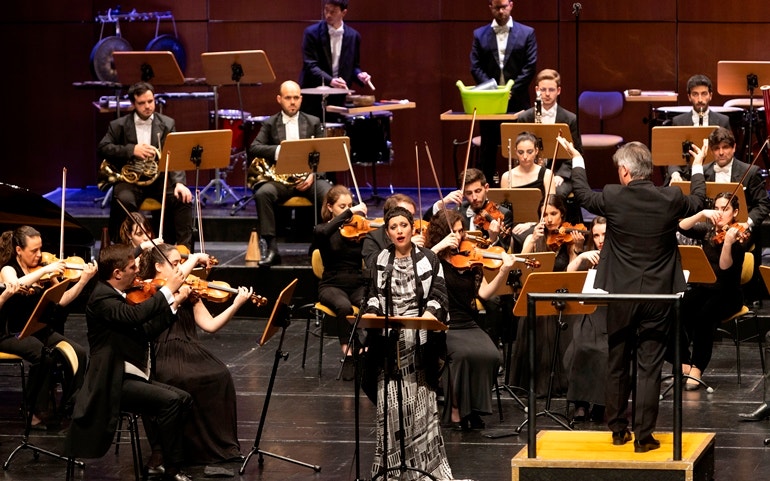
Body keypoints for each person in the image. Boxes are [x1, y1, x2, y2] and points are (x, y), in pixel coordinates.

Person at [563, 137, 706, 453]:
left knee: (617, 360)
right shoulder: (669, 197)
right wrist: (696, 167)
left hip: (621, 296)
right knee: (649, 367)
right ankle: (643, 437)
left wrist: (576, 158)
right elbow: (697, 201)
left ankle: (617, 429)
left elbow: (584, 196)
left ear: (625, 171)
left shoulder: (614, 196)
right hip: (658, 298)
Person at [66, 244, 193, 481]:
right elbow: (135, 316)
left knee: (183, 399)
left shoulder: (119, 295)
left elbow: (145, 330)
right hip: (110, 382)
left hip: (128, 375)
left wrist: (173, 305)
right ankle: (172, 470)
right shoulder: (102, 298)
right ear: (117, 273)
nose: (138, 272)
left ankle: (158, 458)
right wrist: (168, 292)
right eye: (132, 267)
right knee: (172, 401)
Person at [138, 244, 253, 467]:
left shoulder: (190, 290)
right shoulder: (149, 291)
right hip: (162, 351)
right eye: (174, 264)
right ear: (158, 267)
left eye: (180, 264)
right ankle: (171, 449)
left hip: (190, 348)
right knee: (179, 379)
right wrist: (195, 257)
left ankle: (214, 447)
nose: (180, 269)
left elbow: (209, 325)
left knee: (220, 375)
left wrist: (236, 304)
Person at [362, 206, 453, 480]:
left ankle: (424, 468)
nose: (399, 231)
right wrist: (374, 311)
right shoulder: (380, 260)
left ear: (412, 228)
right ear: (387, 232)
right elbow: (372, 295)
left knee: (421, 406)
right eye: (394, 227)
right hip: (390, 342)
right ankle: (390, 469)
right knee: (391, 407)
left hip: (420, 341)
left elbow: (439, 295)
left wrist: (427, 316)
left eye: (404, 225)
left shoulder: (428, 258)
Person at [0, 226, 95, 428]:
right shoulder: (8, 269)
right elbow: (15, 284)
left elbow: (62, 300)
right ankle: (34, 410)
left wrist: (82, 282)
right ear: (18, 250)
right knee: (42, 354)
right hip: (10, 332)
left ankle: (69, 407)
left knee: (79, 353)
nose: (39, 255)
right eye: (33, 251)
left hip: (36, 329)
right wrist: (45, 270)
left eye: (40, 249)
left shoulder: (43, 267)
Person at [426, 208, 508, 431]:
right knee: (460, 356)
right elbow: (418, 269)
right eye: (453, 231)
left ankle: (474, 409)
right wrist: (439, 247)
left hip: (467, 322)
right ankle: (456, 408)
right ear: (442, 233)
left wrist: (504, 272)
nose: (459, 236)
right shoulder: (431, 258)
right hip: (443, 324)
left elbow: (484, 293)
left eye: (461, 231)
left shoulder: (468, 258)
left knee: (491, 355)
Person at [98, 81, 193, 249]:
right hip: (130, 181)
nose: (148, 106)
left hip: (158, 181)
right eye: (142, 103)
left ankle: (183, 250)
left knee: (182, 198)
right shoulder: (118, 125)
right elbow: (103, 148)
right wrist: (131, 149)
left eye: (151, 101)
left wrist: (179, 182)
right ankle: (127, 249)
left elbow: (175, 153)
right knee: (123, 200)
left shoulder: (167, 124)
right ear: (134, 104)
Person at [247, 80, 333, 266]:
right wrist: (279, 151)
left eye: (296, 98)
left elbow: (324, 153)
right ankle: (271, 248)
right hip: (281, 181)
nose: (292, 102)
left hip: (309, 178)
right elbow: (254, 148)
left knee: (328, 194)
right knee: (263, 193)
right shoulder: (270, 123)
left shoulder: (313, 121)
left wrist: (313, 175)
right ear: (279, 99)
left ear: (301, 99)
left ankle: (320, 245)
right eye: (288, 98)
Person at [510, 194, 582, 397]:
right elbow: (521, 265)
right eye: (545, 214)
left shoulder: (567, 240)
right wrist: (532, 240)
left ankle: (563, 381)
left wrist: (576, 249)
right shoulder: (535, 237)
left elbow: (571, 273)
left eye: (554, 214)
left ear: (562, 215)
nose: (549, 219)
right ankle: (538, 383)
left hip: (561, 297)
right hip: (538, 297)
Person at [675, 193, 747, 389]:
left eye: (725, 209)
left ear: (735, 212)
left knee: (705, 316)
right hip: (705, 288)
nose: (720, 213)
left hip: (728, 294)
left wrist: (729, 243)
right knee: (678, 307)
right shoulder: (707, 230)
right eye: (717, 208)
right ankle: (683, 362)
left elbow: (725, 268)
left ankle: (698, 367)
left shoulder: (739, 236)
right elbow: (680, 227)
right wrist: (701, 214)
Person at [471, 0, 537, 185]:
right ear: (490, 7)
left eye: (504, 6)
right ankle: (487, 192)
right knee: (488, 149)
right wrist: (494, 92)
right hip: (490, 103)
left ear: (511, 5)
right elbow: (475, 67)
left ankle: (523, 187)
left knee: (522, 147)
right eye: (497, 7)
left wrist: (510, 91)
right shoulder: (479, 34)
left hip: (517, 101)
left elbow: (530, 66)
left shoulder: (527, 33)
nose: (501, 11)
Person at [312, 185, 368, 380]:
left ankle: (366, 350)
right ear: (330, 207)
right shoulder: (322, 230)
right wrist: (350, 212)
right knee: (343, 307)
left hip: (357, 283)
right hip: (331, 285)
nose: (347, 209)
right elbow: (325, 231)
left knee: (369, 306)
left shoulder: (357, 229)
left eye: (350, 205)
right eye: (342, 206)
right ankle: (349, 355)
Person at [299, 0, 373, 120]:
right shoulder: (311, 33)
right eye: (326, 10)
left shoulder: (353, 36)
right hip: (313, 97)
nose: (328, 15)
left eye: (333, 12)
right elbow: (310, 65)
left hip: (338, 99)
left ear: (344, 13)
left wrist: (360, 75)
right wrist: (331, 80)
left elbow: (354, 66)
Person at [565, 216, 608, 423]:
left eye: (604, 235)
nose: (600, 240)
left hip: (611, 313)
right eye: (596, 235)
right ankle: (580, 403)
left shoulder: (621, 255)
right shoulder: (589, 256)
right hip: (589, 312)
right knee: (578, 349)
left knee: (604, 351)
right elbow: (568, 275)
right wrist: (581, 256)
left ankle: (600, 403)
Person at [516, 69, 583, 199]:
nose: (547, 94)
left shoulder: (570, 119)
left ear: (558, 91)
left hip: (559, 173)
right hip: (529, 170)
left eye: (551, 90)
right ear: (537, 90)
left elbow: (576, 152)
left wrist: (561, 175)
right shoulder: (525, 117)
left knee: (555, 194)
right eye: (543, 89)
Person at [702, 127, 770, 234]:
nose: (721, 152)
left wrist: (746, 223)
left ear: (734, 148)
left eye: (725, 147)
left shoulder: (750, 172)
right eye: (716, 148)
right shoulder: (702, 172)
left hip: (741, 229)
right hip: (709, 229)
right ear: (711, 151)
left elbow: (763, 205)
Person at [667, 74, 731, 184]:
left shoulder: (723, 121)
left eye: (704, 94)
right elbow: (673, 156)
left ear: (710, 95)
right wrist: (675, 173)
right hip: (686, 174)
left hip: (714, 173)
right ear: (689, 97)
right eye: (695, 94)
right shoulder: (678, 122)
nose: (700, 99)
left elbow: (729, 152)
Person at [427, 168, 513, 250]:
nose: (474, 197)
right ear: (463, 193)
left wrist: (494, 239)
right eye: (469, 193)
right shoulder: (458, 210)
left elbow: (503, 251)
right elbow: (429, 225)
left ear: (486, 188)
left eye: (478, 191)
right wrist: (441, 203)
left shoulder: (503, 214)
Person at [500, 131, 553, 250]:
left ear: (536, 151)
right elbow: (504, 209)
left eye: (529, 152)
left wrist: (531, 224)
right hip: (514, 224)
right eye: (520, 152)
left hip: (539, 224)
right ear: (515, 152)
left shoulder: (547, 174)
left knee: (530, 236)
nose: (525, 157)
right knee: (504, 237)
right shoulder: (506, 177)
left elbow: (551, 207)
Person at [361, 193, 426, 269]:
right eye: (405, 214)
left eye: (412, 216)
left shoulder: (415, 232)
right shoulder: (373, 238)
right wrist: (405, 246)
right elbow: (373, 265)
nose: (411, 221)